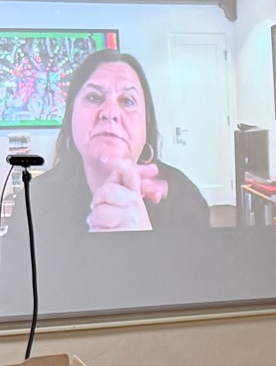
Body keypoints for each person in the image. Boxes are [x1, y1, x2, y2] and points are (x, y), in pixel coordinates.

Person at [29, 49, 211, 236]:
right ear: (70, 115)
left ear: (146, 124)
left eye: (127, 101)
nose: (110, 112)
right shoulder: (34, 201)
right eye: (93, 97)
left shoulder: (182, 198)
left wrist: (142, 243)